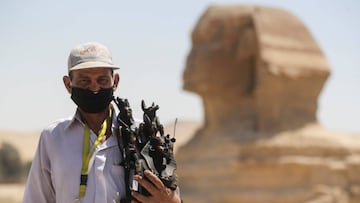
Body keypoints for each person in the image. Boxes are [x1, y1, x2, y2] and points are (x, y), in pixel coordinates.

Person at [23, 42, 181, 203]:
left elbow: (169, 196)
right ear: (68, 84)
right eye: (84, 81)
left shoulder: (144, 136)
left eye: (102, 80)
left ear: (115, 81)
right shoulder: (53, 137)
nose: (94, 88)